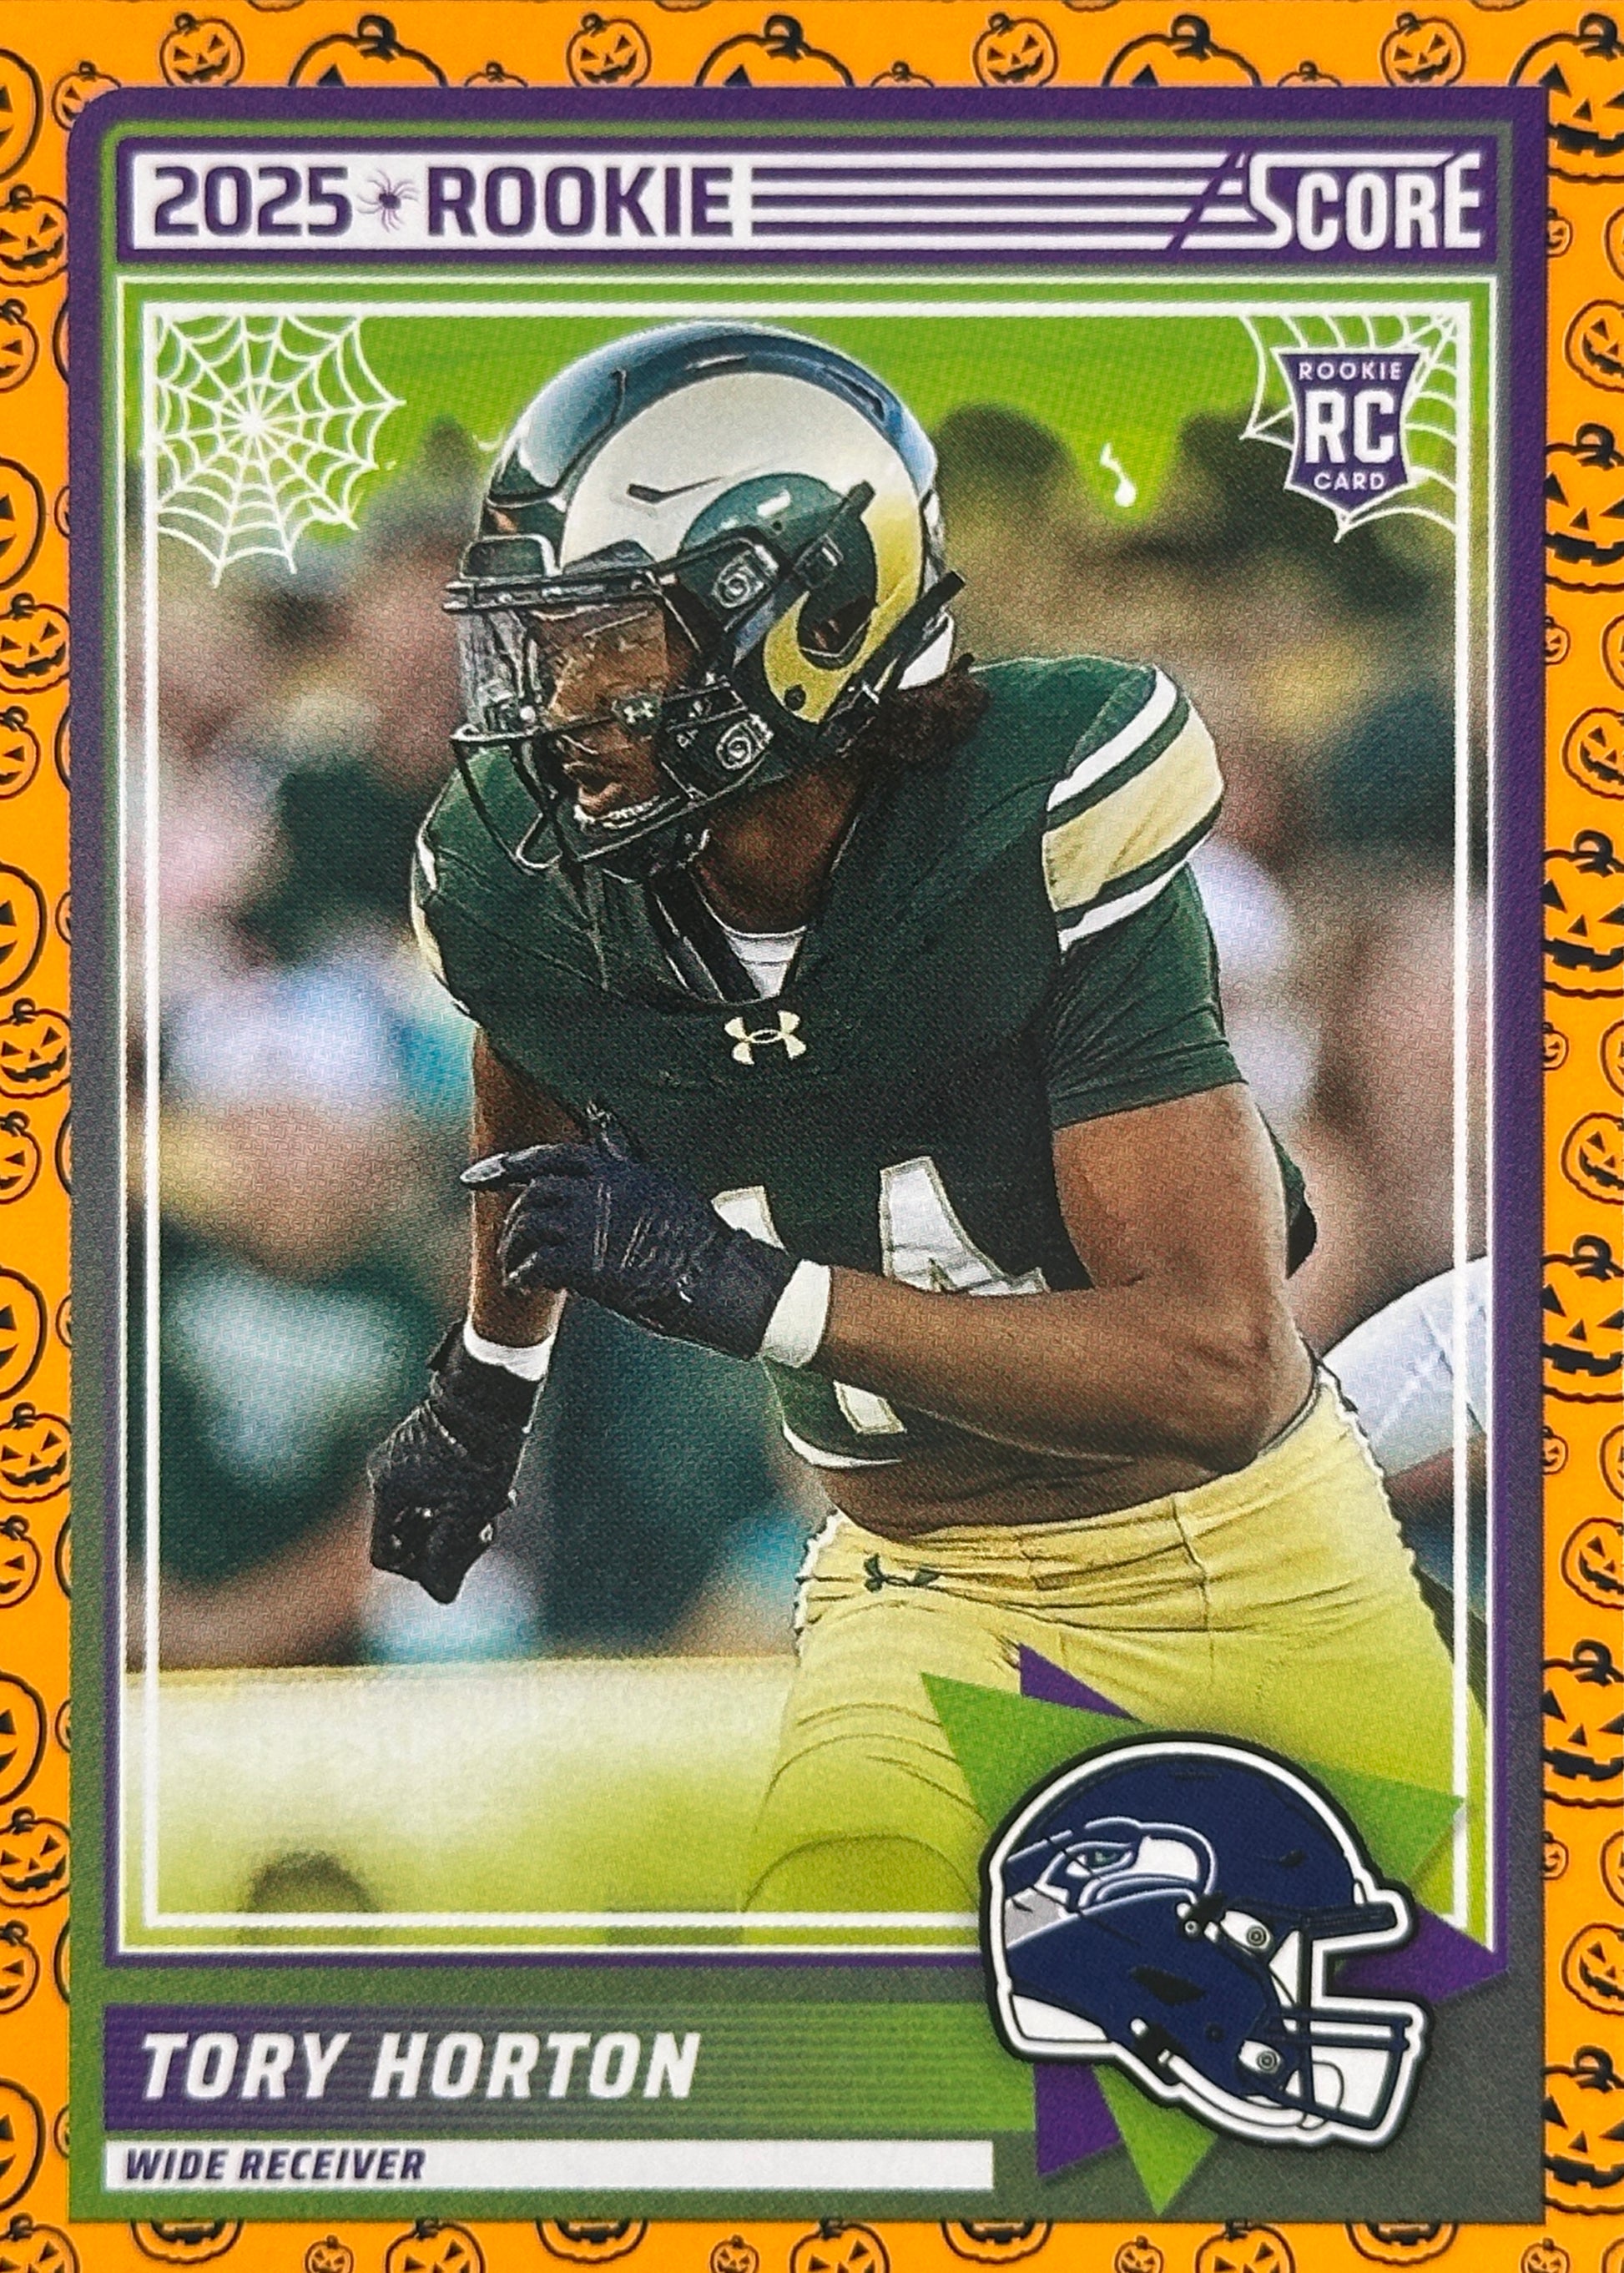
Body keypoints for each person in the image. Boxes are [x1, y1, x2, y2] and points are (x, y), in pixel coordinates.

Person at [366, 322, 1459, 1916]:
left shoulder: (1038, 810)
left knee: (1421, 2020)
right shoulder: (522, 879)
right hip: (916, 1580)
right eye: (542, 641)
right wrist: (487, 1384)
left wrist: (756, 1295)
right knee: (840, 2000)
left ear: (807, 619)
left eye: (610, 638)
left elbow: (1214, 1370)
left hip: (1230, 1547)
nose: (559, 701)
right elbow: (522, 1055)